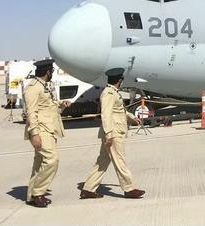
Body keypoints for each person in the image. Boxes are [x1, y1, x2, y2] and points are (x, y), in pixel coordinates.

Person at [80, 68, 145, 199]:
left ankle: (88, 189)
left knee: (102, 162)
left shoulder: (113, 92)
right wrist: (109, 134)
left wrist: (131, 117)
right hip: (113, 132)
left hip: (114, 131)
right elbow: (106, 115)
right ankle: (129, 188)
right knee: (120, 160)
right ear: (119, 81)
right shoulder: (108, 93)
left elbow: (119, 110)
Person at [23, 58, 70, 208]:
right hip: (40, 130)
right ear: (48, 72)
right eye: (52, 71)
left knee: (39, 164)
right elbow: (31, 112)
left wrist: (62, 105)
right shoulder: (33, 88)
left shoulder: (46, 86)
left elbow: (50, 108)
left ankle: (31, 196)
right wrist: (35, 134)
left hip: (49, 129)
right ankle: (38, 192)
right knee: (52, 160)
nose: (53, 73)